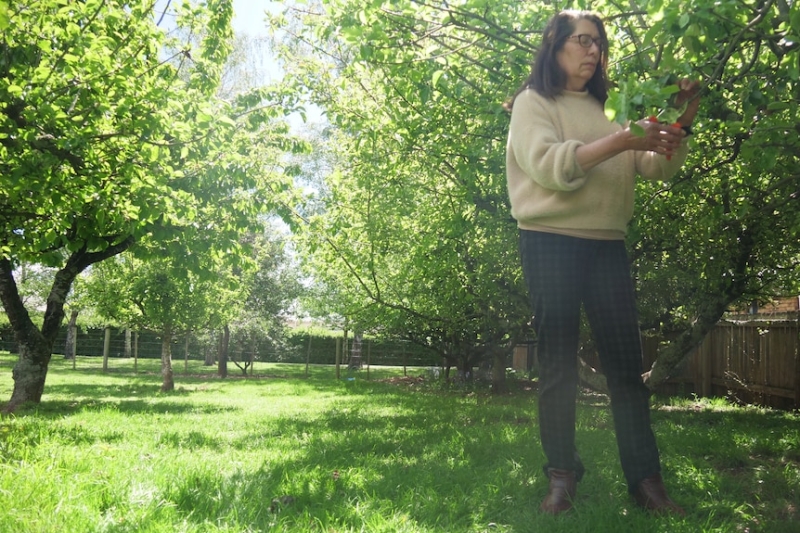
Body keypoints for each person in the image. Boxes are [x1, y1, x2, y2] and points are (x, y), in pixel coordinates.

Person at [504, 10, 700, 516]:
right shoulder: (533, 104)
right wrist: (623, 138)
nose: (593, 51)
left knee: (625, 370)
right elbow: (550, 166)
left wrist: (683, 119)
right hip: (549, 241)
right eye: (582, 41)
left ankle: (647, 483)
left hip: (607, 244)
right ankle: (562, 478)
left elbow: (654, 166)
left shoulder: (611, 109)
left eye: (598, 43)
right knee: (557, 368)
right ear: (555, 46)